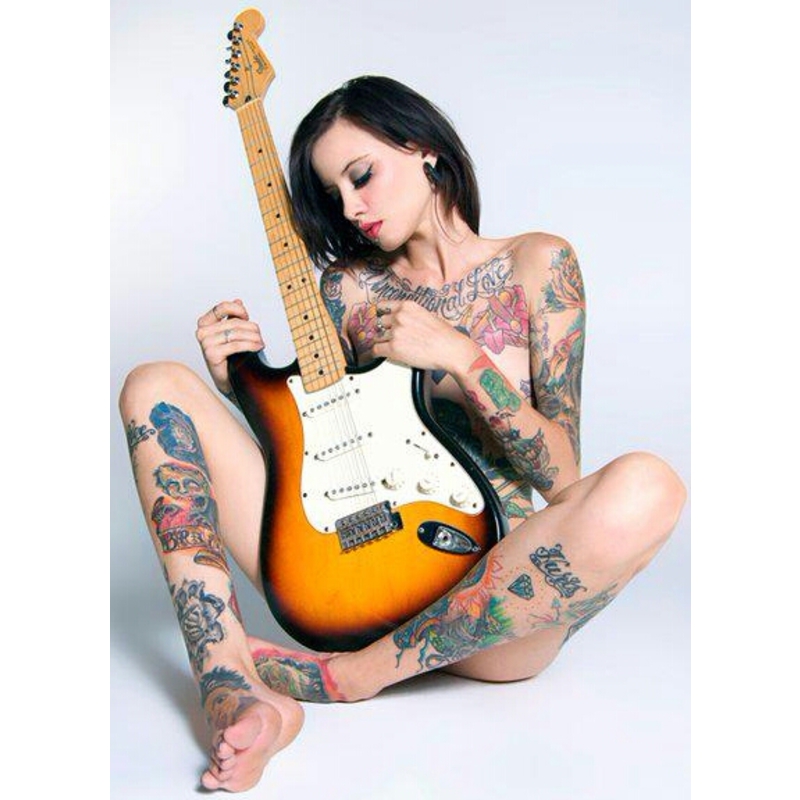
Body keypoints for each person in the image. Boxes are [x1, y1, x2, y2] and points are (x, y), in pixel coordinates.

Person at [119, 75, 686, 792]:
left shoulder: (538, 264)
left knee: (648, 485)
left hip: (491, 603)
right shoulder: (346, 290)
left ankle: (358, 674)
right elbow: (324, 451)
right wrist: (242, 387)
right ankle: (232, 688)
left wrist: (461, 356)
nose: (351, 208)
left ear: (423, 149)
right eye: (335, 195)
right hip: (340, 579)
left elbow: (564, 479)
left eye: (362, 176)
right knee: (154, 386)